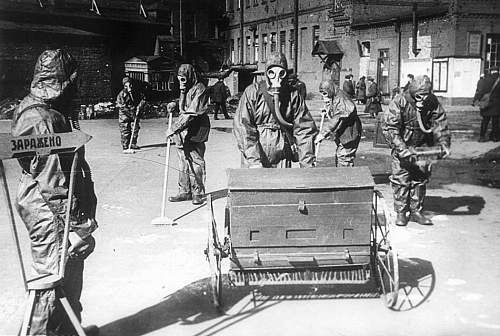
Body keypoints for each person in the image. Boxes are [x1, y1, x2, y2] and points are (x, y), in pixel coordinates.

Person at [11, 49, 98, 335]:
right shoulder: (41, 119)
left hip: (48, 204)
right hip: (50, 211)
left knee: (68, 273)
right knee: (51, 280)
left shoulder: (45, 110)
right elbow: (53, 182)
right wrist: (75, 225)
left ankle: (69, 331)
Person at [382, 75, 451, 226]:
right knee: (401, 179)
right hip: (404, 147)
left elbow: (440, 123)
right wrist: (401, 148)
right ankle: (401, 212)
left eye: (426, 95)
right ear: (413, 93)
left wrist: (444, 143)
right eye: (420, 96)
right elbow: (390, 128)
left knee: (420, 179)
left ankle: (416, 211)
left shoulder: (432, 102)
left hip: (422, 147)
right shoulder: (400, 101)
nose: (424, 100)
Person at [233, 52, 317, 168]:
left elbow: (304, 129)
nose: (277, 77)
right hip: (257, 154)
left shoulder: (292, 95)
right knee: (254, 185)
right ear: (267, 73)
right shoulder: (253, 92)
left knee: (281, 185)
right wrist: (254, 160)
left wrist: (307, 163)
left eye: (281, 73)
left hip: (282, 153)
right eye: (272, 72)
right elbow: (243, 127)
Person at [167, 64, 210, 205]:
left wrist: (175, 127)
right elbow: (184, 105)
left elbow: (192, 112)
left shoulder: (200, 89)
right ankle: (184, 191)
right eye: (179, 79)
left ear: (191, 76)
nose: (181, 82)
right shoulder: (185, 89)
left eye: (184, 79)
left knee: (196, 161)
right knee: (182, 161)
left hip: (196, 129)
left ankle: (198, 192)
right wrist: (175, 103)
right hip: (183, 130)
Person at [315, 79, 362, 167]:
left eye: (325, 93)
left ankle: (346, 178)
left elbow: (339, 116)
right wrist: (328, 108)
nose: (324, 96)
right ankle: (342, 176)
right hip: (343, 132)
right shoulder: (335, 95)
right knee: (341, 155)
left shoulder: (341, 97)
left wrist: (323, 133)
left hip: (349, 132)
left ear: (330, 89)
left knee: (344, 157)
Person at [116, 76, 147, 152]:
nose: (129, 88)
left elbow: (143, 100)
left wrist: (139, 107)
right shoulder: (121, 94)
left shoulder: (136, 92)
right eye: (126, 86)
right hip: (125, 114)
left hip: (134, 112)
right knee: (125, 130)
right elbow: (122, 106)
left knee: (135, 128)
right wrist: (132, 114)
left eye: (130, 85)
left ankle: (133, 143)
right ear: (124, 86)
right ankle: (126, 146)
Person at [473, 66, 500, 142]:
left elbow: (480, 91)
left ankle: (482, 137)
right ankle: (495, 137)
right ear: (498, 71)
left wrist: (475, 100)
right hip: (497, 104)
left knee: (485, 121)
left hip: (486, 103)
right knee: (496, 122)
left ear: (490, 71)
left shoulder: (484, 80)